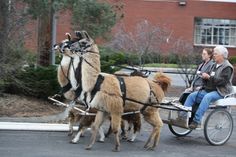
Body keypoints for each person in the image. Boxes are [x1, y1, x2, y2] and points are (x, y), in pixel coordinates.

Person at [183, 45, 234, 129]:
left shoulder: (227, 67)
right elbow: (209, 79)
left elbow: (222, 81)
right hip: (210, 89)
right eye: (214, 53)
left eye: (215, 54)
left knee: (207, 97)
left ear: (222, 55)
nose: (213, 55)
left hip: (221, 91)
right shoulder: (214, 65)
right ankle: (182, 117)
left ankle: (196, 121)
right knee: (192, 95)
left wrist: (209, 77)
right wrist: (204, 80)